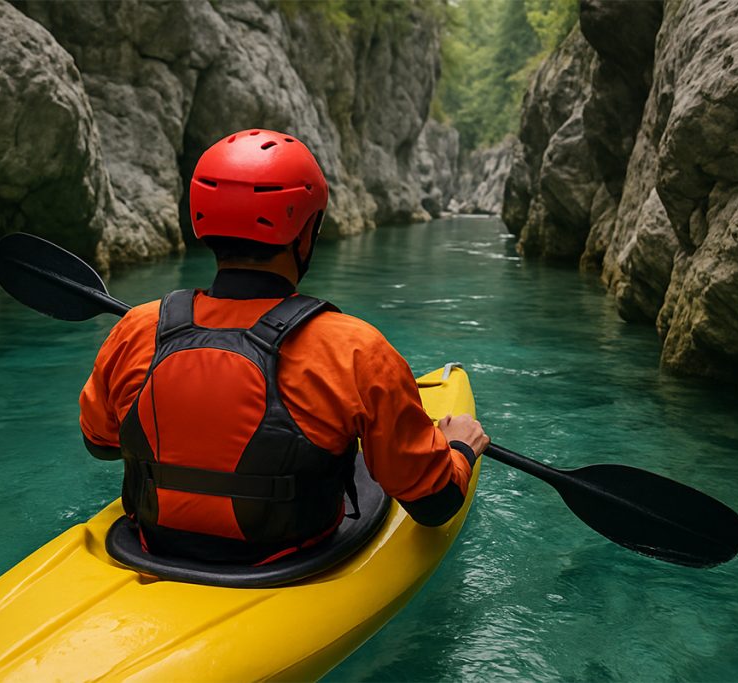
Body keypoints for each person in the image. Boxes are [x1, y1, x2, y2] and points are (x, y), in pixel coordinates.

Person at [79, 129, 490, 565]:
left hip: (151, 546)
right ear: (306, 233)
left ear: (202, 223)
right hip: (290, 560)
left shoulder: (137, 328)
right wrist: (460, 450)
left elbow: (100, 443)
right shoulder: (355, 349)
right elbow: (432, 504)